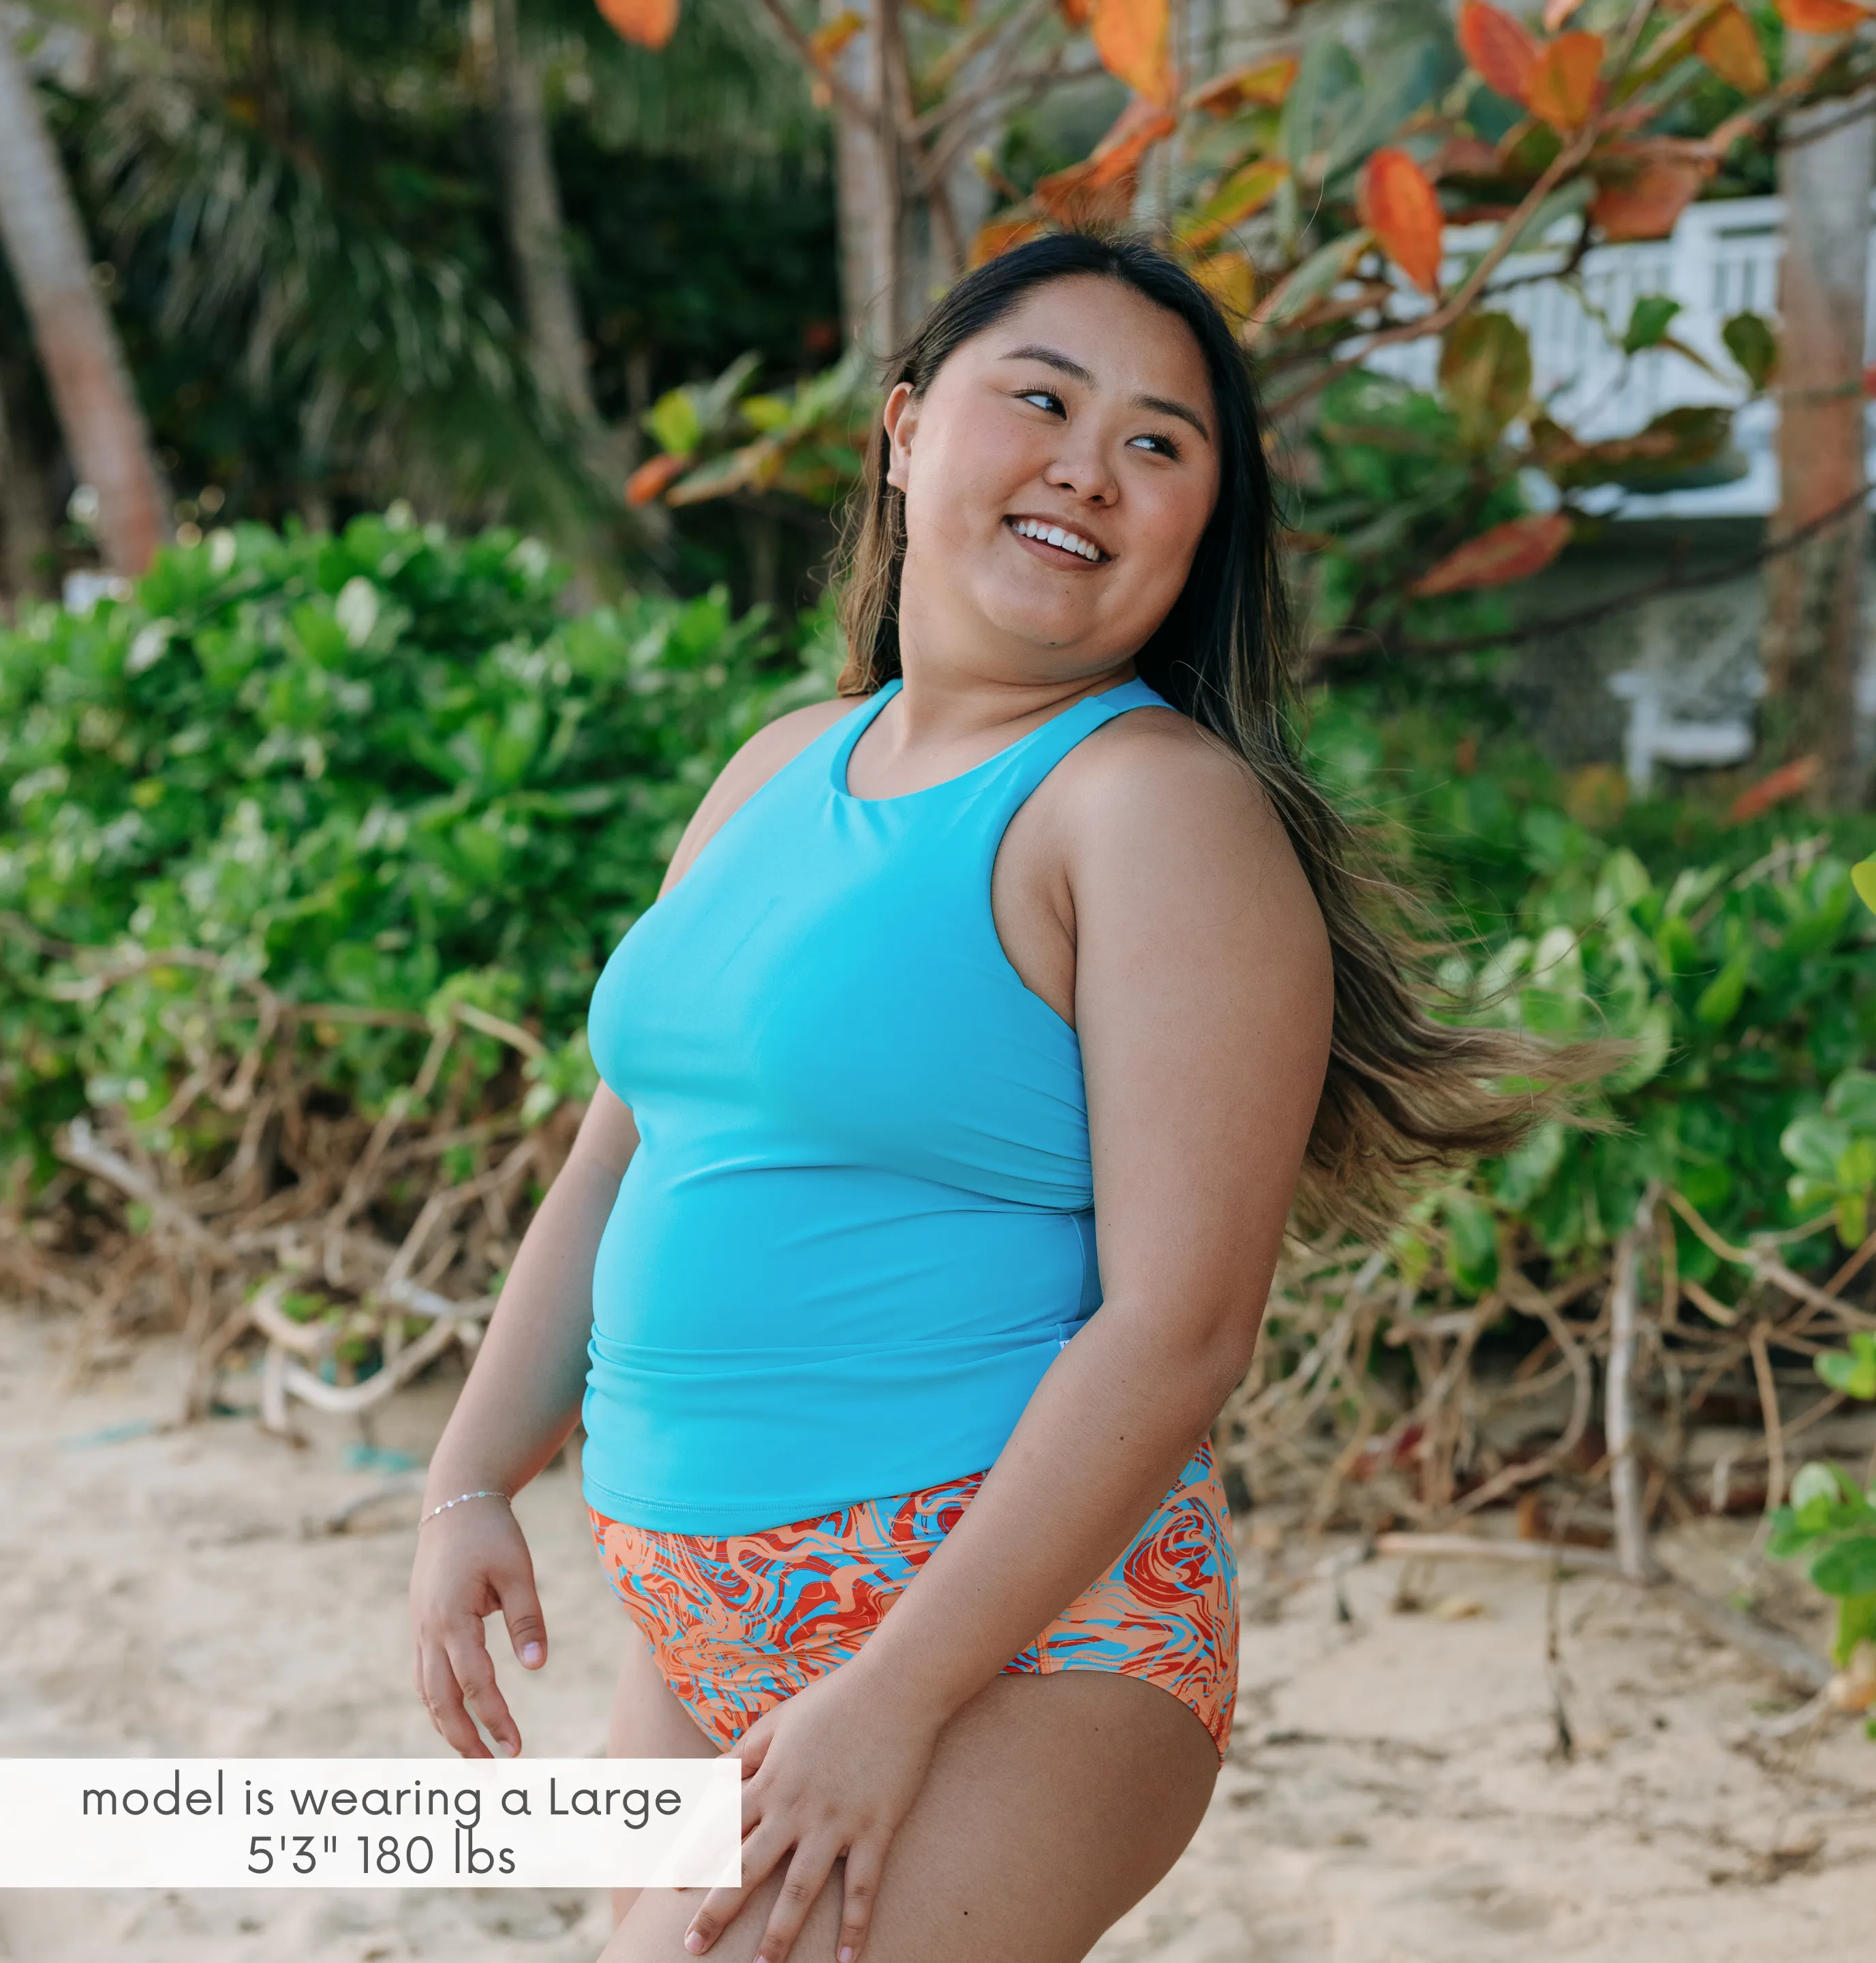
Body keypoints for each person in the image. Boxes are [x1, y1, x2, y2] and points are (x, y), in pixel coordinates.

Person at [410, 232, 1567, 1963]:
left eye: (1162, 444)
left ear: (1198, 533)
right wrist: (469, 1480)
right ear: (901, 429)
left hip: (1011, 1638)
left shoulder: (1151, 810)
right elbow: (616, 1159)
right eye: (1042, 398)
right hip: (691, 1626)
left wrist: (892, 1699)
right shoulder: (779, 765)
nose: (1091, 466)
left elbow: (1182, 1329)